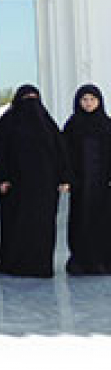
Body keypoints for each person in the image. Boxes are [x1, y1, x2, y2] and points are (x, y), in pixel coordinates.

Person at [0, 85, 72, 278]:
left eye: (34, 97)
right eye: (26, 98)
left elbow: (61, 153)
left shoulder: (47, 124)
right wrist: (1, 178)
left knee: (42, 227)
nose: (30, 102)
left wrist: (64, 178)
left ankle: (40, 265)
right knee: (16, 225)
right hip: (16, 186)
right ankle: (14, 263)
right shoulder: (7, 123)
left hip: (44, 186)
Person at [62, 84, 111, 275]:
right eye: (84, 100)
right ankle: (81, 261)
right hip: (81, 185)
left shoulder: (107, 125)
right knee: (81, 221)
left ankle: (102, 261)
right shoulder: (72, 126)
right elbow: (64, 155)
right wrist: (67, 178)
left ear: (99, 101)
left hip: (103, 184)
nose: (88, 103)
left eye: (92, 99)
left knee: (103, 222)